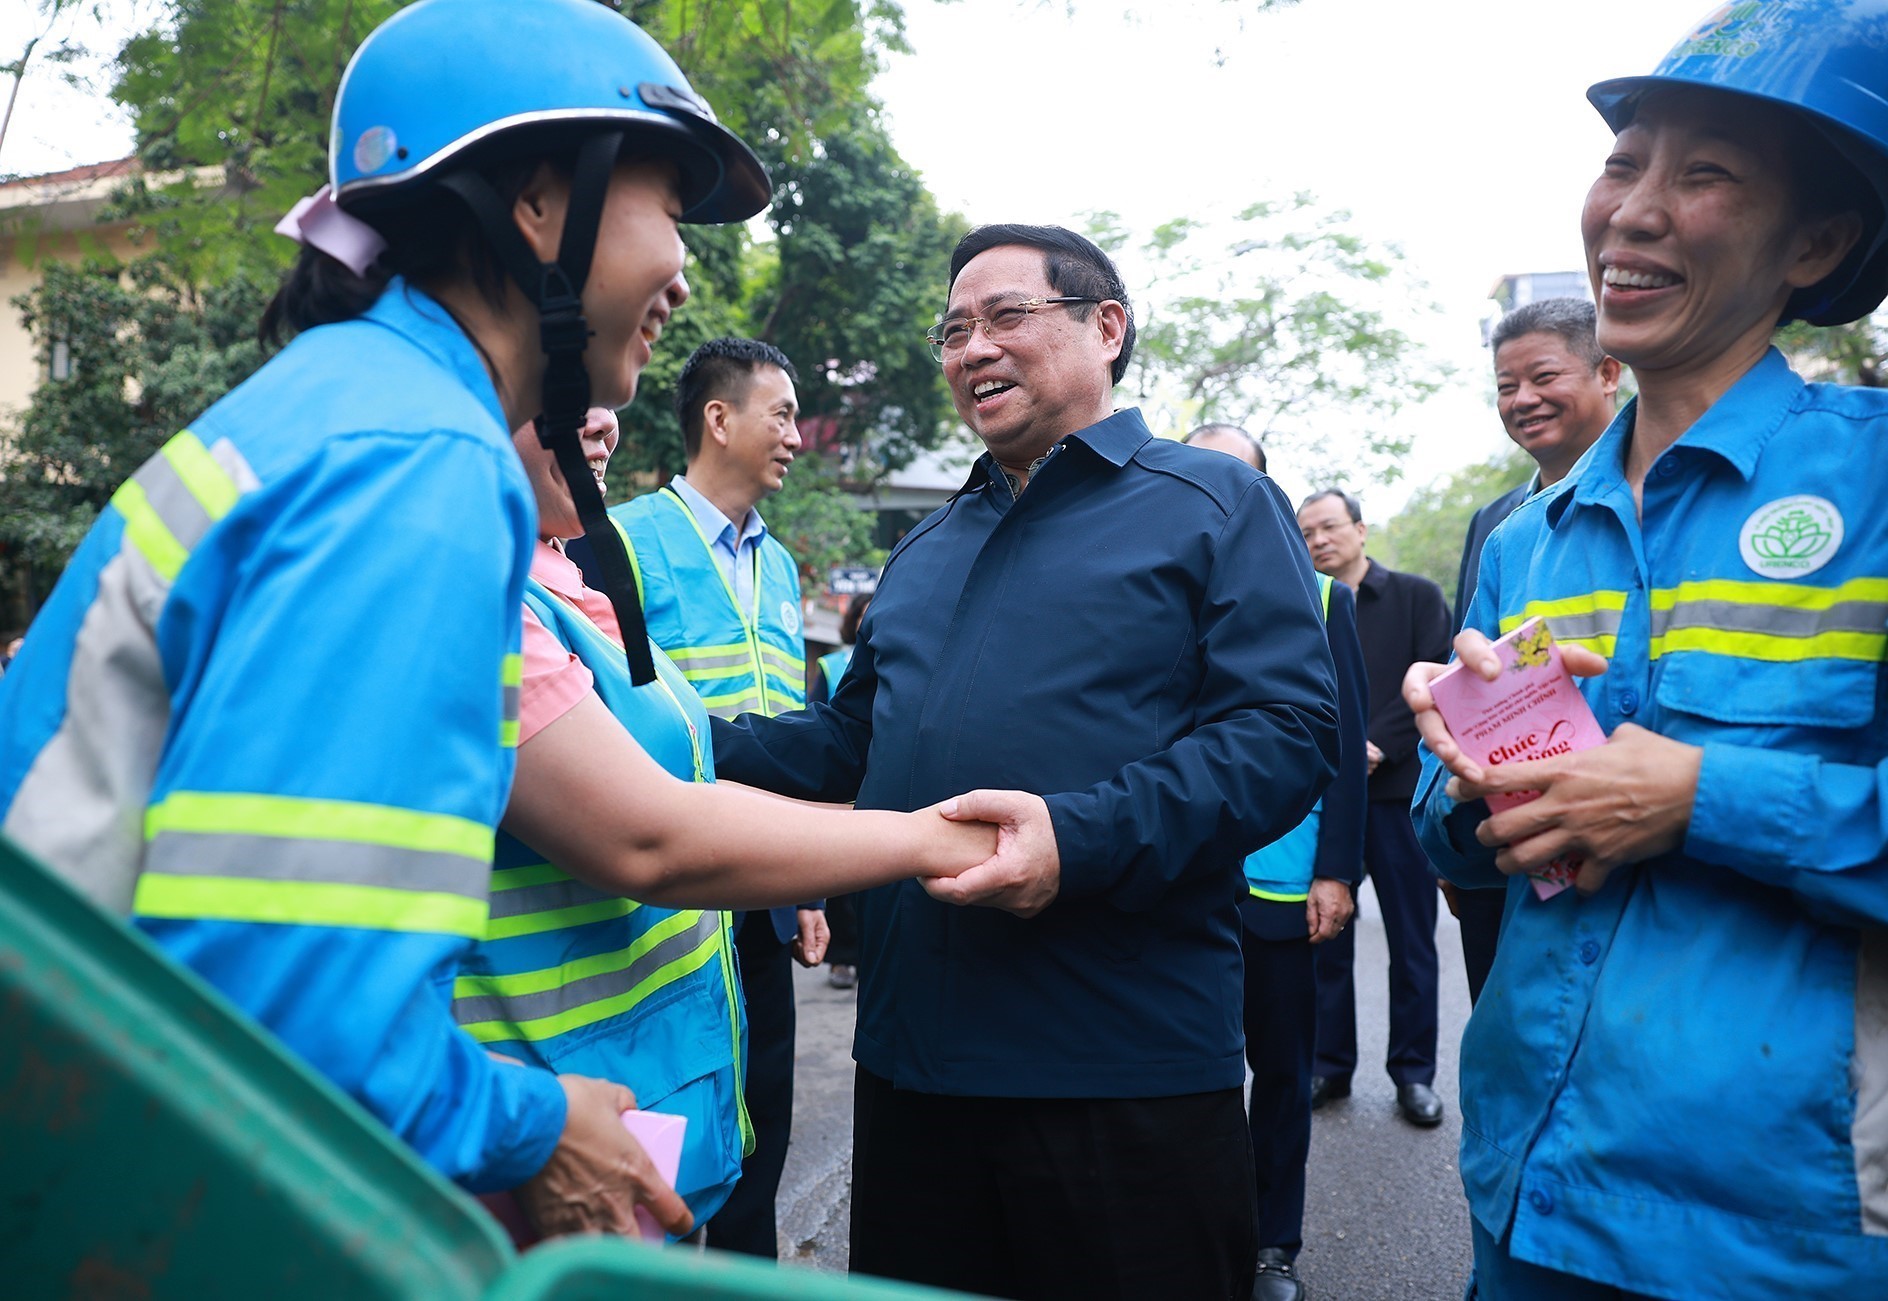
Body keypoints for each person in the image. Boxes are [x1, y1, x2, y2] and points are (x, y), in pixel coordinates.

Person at [0, 0, 773, 1230]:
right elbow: (287, 1015)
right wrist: (534, 1120)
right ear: (538, 203)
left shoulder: (351, 407)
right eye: (667, 210)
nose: (684, 269)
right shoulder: (413, 461)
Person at [712, 223, 1341, 1301]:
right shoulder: (925, 548)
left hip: (1118, 1070)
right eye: (953, 329)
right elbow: (843, 743)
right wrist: (654, 729)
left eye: (1005, 316)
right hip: (911, 1070)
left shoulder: (1216, 504)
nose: (972, 349)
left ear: (1106, 327)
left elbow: (1284, 731)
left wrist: (1080, 836)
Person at [1407, 7, 1888, 1295]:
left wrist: (1698, 799)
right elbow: (1454, 840)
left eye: (1705, 173)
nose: (1633, 211)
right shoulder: (1529, 535)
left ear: (1820, 241)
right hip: (1524, 1184)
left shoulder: (1878, 478)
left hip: (1779, 1230)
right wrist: (1468, 784)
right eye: (1625, 161)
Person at [466, 406, 994, 1237]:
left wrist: (819, 865)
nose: (605, 422)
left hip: (658, 1038)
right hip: (538, 1090)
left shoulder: (577, 564)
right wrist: (928, 835)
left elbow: (708, 764)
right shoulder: (542, 565)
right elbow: (652, 831)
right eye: (571, 390)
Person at [599, 336, 821, 1259]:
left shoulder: (782, 564)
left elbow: (799, 726)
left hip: (761, 886)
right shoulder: (623, 538)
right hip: (667, 887)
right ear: (719, 419)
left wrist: (805, 875)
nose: (797, 438)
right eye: (783, 414)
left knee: (760, 1131)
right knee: (661, 1135)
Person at [1185, 424, 1366, 1301]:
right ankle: (1197, 1231)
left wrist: (1336, 868)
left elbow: (1344, 740)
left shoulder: (1324, 598)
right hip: (1175, 882)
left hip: (1283, 881)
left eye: (1237, 477)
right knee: (1189, 1069)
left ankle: (1273, 1246)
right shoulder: (1149, 581)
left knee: (1283, 1071)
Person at [1449, 299, 1620, 1005]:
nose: (1523, 401)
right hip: (1511, 837)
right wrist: (1455, 830)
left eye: (1543, 376)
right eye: (1505, 387)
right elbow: (1466, 673)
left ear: (1608, 371)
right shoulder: (1498, 528)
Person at [1296, 488, 1451, 1127]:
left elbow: (1436, 673)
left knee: (1413, 939)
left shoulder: (1415, 596)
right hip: (1332, 797)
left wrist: (1379, 744)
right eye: (1306, 533)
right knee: (1326, 933)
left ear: (1360, 529)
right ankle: (1330, 1064)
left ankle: (1414, 1075)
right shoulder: (1303, 603)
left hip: (1399, 794)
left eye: (1330, 527)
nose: (1319, 541)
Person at [814, 592, 873, 991]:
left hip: (881, 782)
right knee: (842, 880)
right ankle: (842, 957)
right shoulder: (831, 665)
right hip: (843, 788)